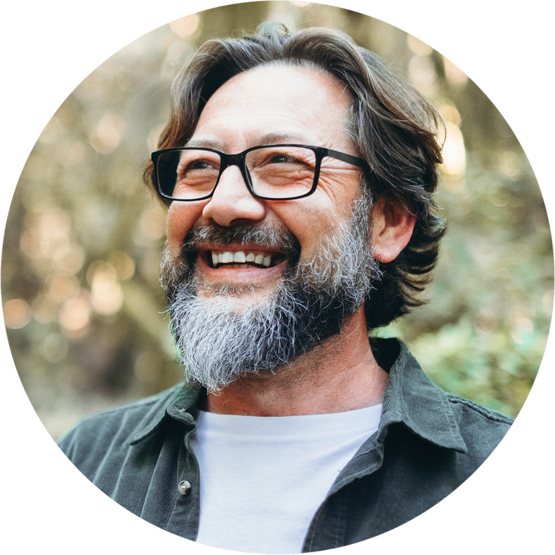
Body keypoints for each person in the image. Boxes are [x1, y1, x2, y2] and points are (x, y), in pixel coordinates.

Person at [57, 24, 515, 553]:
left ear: (388, 223)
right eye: (200, 167)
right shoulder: (88, 460)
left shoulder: (478, 461)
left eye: (282, 162)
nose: (223, 204)